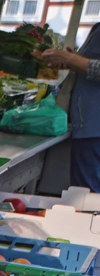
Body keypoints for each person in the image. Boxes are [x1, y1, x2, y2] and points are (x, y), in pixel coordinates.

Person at [40, 23, 100, 192]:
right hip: (88, 122)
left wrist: (71, 60)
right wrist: (72, 61)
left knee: (88, 200)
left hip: (94, 128)